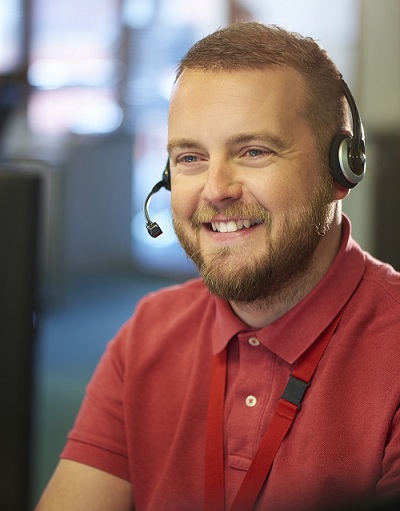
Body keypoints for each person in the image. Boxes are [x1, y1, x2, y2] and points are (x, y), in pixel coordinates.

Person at [35, 22, 400, 511]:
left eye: (254, 151)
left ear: (341, 169)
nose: (215, 188)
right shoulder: (148, 333)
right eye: (190, 157)